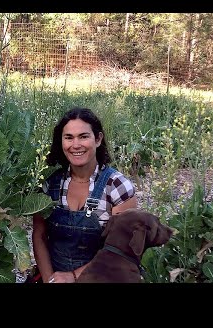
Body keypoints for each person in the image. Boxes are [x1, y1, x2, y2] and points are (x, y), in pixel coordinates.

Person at [32, 107, 137, 283]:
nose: (76, 145)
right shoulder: (49, 183)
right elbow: (39, 235)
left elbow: (120, 250)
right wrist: (49, 279)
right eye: (69, 138)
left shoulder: (117, 187)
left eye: (83, 136)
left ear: (98, 139)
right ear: (61, 142)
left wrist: (73, 276)